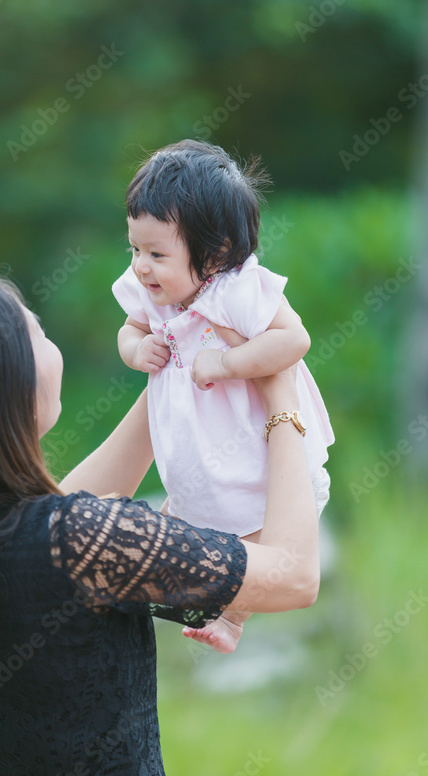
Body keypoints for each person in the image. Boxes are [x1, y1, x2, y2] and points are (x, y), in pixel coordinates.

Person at [0, 265, 319, 776]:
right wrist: (282, 401)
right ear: (8, 389)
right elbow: (293, 577)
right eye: (38, 333)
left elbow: (51, 525)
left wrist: (180, 362)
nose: (50, 342)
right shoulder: (83, 540)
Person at [113, 139, 334, 651]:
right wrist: (136, 348)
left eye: (156, 253)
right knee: (179, 515)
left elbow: (294, 340)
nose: (141, 266)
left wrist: (228, 363)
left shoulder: (235, 290)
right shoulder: (154, 289)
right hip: (194, 443)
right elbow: (128, 327)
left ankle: (232, 621)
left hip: (255, 440)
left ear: (213, 255)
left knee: (258, 535)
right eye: (135, 248)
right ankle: (153, 606)